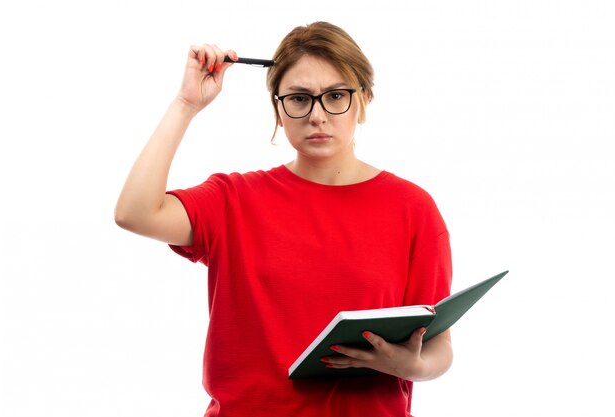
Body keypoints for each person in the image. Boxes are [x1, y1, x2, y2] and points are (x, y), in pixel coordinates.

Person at [115, 21, 453, 417]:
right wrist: (186, 105)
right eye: (299, 99)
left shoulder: (412, 208)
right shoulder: (233, 199)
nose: (317, 115)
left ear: (364, 99)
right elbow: (134, 213)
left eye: (336, 96)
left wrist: (413, 367)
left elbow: (438, 344)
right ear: (278, 108)